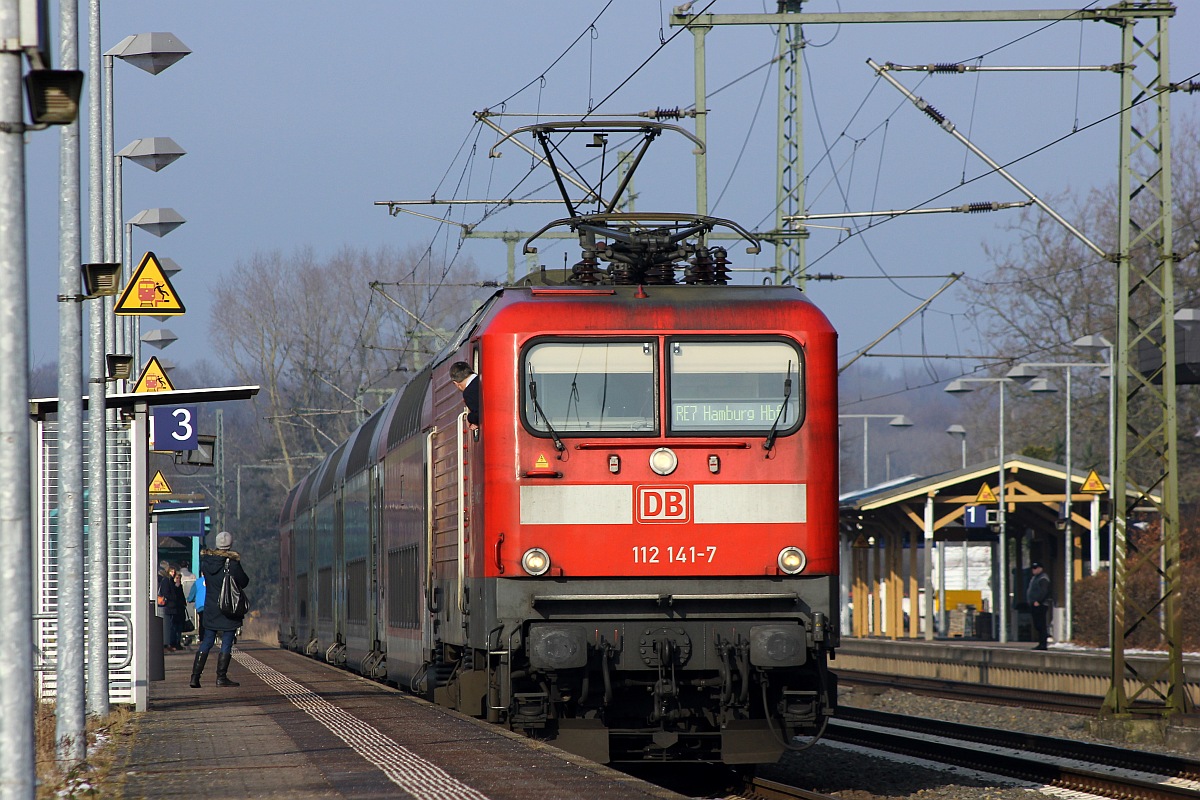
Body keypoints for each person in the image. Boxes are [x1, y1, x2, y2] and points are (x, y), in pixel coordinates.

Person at [190, 531, 249, 688]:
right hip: (227, 608)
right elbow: (244, 581)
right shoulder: (232, 563)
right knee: (227, 642)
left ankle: (195, 677)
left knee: (207, 640)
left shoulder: (206, 563)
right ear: (230, 545)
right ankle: (221, 678)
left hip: (210, 608)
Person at [158, 564, 185, 652]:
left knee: (173, 626)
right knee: (171, 626)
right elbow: (167, 593)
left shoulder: (170, 581)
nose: (173, 573)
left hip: (173, 606)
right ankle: (170, 643)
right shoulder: (167, 580)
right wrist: (173, 598)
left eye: (174, 571)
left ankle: (172, 643)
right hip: (170, 606)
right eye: (171, 571)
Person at [1026, 561, 1053, 650]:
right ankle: (1041, 643)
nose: (1034, 570)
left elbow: (1045, 591)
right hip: (1034, 604)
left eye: (1036, 568)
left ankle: (1043, 644)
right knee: (1037, 625)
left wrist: (1039, 601)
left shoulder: (1043, 578)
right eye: (1033, 568)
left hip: (1040, 605)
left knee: (1041, 625)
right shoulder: (1035, 578)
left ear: (1040, 569)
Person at [449, 361, 480, 435]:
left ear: (456, 383)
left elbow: (481, 414)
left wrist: (470, 418)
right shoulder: (484, 379)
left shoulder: (469, 392)